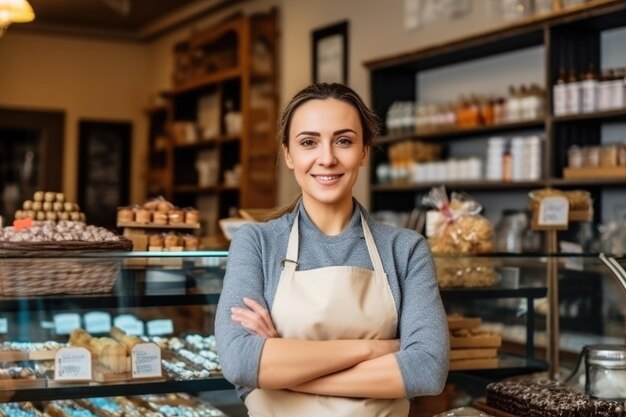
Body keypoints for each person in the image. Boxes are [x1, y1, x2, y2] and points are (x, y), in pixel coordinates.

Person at [215, 82, 449, 416]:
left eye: (344, 141)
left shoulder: (406, 249)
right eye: (309, 142)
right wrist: (373, 349)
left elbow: (427, 369)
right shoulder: (256, 243)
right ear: (288, 154)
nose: (327, 158)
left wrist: (282, 366)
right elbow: (240, 361)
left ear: (364, 151)